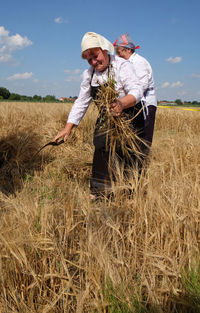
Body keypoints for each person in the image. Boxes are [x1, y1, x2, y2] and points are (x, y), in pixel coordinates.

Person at [54, 32, 145, 198]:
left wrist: (122, 104)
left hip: (129, 116)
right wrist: (68, 128)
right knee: (101, 144)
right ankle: (100, 192)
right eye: (90, 60)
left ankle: (130, 192)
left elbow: (137, 91)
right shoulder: (89, 75)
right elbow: (81, 102)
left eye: (96, 56)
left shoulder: (121, 66)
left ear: (105, 50)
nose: (94, 62)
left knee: (129, 152)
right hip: (107, 117)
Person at [113, 33, 157, 148]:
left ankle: (142, 163)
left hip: (145, 103)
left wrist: (124, 100)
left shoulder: (139, 62)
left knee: (143, 136)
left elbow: (141, 86)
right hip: (133, 103)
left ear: (128, 50)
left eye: (119, 52)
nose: (117, 55)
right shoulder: (125, 63)